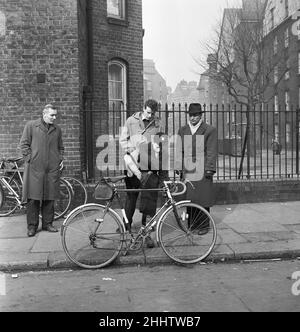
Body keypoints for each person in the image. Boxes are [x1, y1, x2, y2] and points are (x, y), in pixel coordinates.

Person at [120, 99, 163, 246]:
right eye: (148, 112)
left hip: (148, 165)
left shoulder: (157, 122)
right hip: (133, 165)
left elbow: (158, 141)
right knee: (131, 196)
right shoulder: (131, 121)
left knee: (149, 197)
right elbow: (122, 140)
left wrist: (156, 148)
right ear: (143, 108)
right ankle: (127, 225)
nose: (150, 115)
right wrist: (131, 150)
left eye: (153, 113)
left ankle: (147, 231)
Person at [19, 104, 64, 237]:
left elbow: (61, 147)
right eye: (52, 115)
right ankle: (32, 226)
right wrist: (30, 159)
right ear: (44, 114)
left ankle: (47, 224)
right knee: (33, 198)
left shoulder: (57, 129)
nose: (54, 118)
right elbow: (24, 144)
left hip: (51, 169)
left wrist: (60, 159)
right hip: (34, 169)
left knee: (49, 197)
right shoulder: (31, 126)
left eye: (55, 115)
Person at [176, 103, 217, 233]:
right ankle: (192, 225)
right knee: (190, 197)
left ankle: (204, 225)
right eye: (191, 115)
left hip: (202, 167)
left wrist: (209, 168)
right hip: (188, 168)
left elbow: (211, 150)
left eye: (196, 115)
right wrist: (178, 165)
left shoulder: (209, 130)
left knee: (203, 197)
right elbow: (179, 150)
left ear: (201, 115)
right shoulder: (182, 130)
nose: (193, 118)